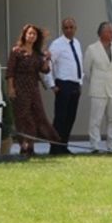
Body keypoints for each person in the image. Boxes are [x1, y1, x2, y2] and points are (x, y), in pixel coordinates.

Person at [6, 23, 59, 156]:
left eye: (34, 34)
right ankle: (23, 146)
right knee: (22, 117)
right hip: (20, 87)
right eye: (29, 33)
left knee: (37, 116)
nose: (31, 36)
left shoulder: (37, 53)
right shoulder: (17, 51)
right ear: (24, 35)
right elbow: (10, 72)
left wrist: (46, 59)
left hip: (33, 88)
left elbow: (44, 70)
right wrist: (11, 88)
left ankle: (31, 146)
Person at [43, 17, 83, 154]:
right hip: (63, 84)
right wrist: (51, 84)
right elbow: (48, 64)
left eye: (71, 27)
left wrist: (80, 82)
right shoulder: (57, 44)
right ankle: (55, 147)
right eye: (66, 27)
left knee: (70, 117)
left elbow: (78, 63)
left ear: (75, 28)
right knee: (60, 117)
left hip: (75, 84)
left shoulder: (76, 43)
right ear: (62, 29)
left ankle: (64, 145)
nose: (69, 30)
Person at [84, 21, 112, 152]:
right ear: (101, 33)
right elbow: (87, 70)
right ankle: (94, 145)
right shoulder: (92, 49)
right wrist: (96, 81)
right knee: (96, 120)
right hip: (98, 89)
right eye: (109, 31)